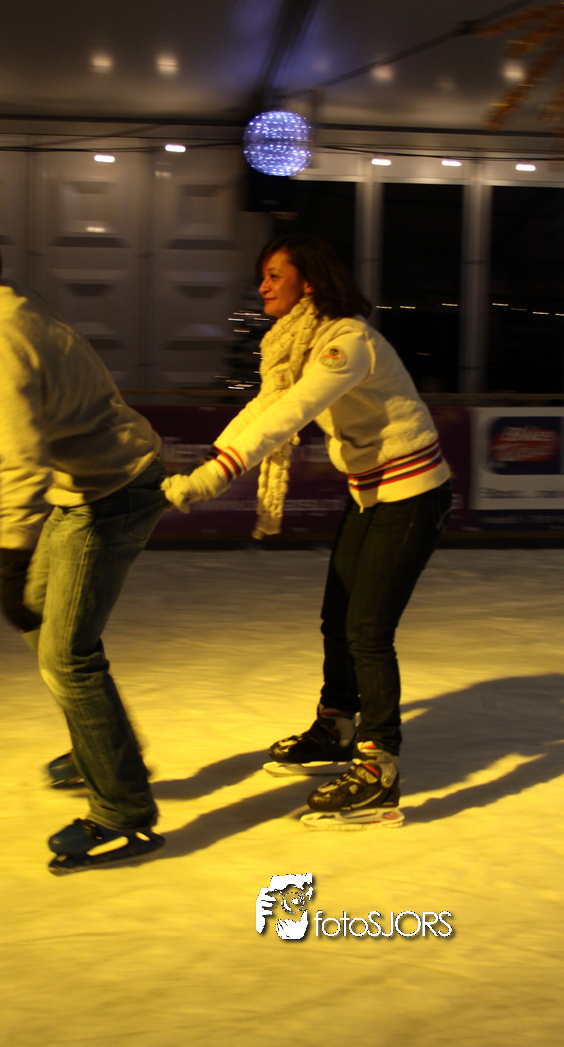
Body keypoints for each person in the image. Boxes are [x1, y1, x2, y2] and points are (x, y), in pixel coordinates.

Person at [0, 200, 167, 872]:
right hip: (95, 483)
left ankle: (123, 811)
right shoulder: (0, 306)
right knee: (44, 626)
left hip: (109, 491)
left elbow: (21, 457)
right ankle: (102, 747)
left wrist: (10, 559)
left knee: (66, 655)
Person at [162, 235, 452, 829]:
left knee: (368, 629)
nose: (263, 286)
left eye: (275, 275)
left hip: (413, 493)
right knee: (337, 617)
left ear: (310, 282)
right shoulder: (297, 347)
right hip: (369, 492)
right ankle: (337, 726)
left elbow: (293, 412)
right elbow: (267, 406)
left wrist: (217, 476)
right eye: (262, 275)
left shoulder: (346, 342)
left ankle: (379, 769)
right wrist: (207, 465)